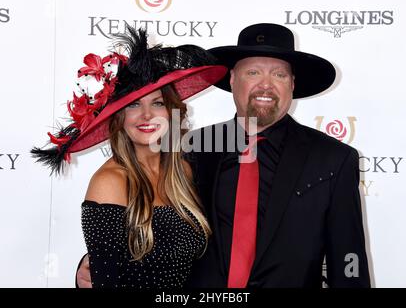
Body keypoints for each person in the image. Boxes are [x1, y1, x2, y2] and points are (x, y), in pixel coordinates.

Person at [77, 23, 371, 288]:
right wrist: (92, 264)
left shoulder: (333, 159)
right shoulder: (192, 149)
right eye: (253, 72)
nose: (266, 84)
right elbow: (154, 227)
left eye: (279, 73)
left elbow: (349, 264)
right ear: (232, 79)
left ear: (292, 84)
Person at [32, 27, 227, 288]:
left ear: (170, 112)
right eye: (133, 105)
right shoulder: (110, 182)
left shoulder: (183, 171)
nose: (147, 115)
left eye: (157, 103)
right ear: (119, 117)